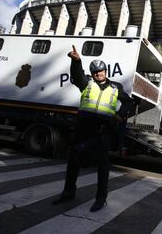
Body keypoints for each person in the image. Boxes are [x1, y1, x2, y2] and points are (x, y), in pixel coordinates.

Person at [52, 45, 132, 212]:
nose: (98, 74)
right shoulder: (86, 83)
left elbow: (128, 102)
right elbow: (77, 75)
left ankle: (101, 199)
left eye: (100, 71)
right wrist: (76, 61)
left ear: (105, 71)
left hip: (103, 131)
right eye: (95, 72)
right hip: (83, 129)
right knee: (73, 162)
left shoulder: (116, 87)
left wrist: (119, 115)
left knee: (102, 165)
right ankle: (68, 192)